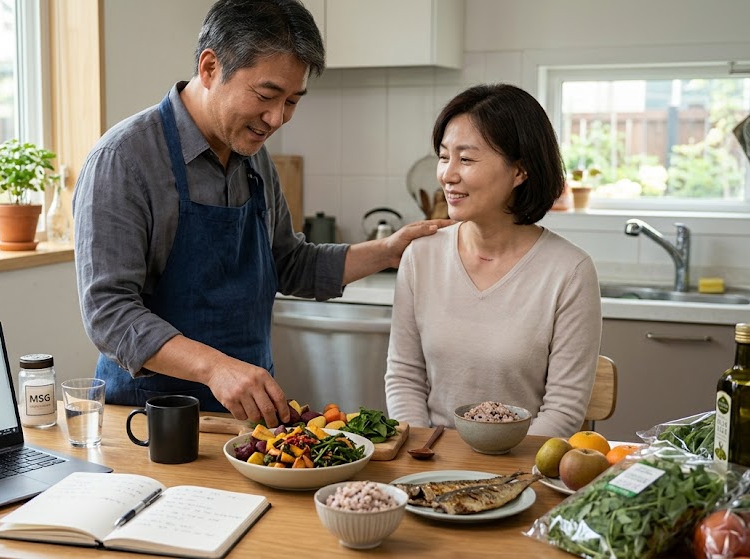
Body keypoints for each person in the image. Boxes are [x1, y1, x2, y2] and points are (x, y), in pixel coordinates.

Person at [73, 0, 449, 428]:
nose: (277, 118)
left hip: (245, 424)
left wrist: (388, 250)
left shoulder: (253, 157)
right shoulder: (124, 159)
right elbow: (109, 312)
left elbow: (289, 263)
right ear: (211, 68)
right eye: (267, 95)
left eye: (292, 101)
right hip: (150, 423)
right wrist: (215, 368)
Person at [384, 84, 602, 438]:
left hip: (520, 472)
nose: (447, 174)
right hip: (430, 463)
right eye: (444, 156)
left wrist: (502, 477)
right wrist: (423, 456)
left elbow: (563, 408)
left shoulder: (570, 272)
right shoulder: (420, 256)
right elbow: (404, 376)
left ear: (520, 171)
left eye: (466, 159)